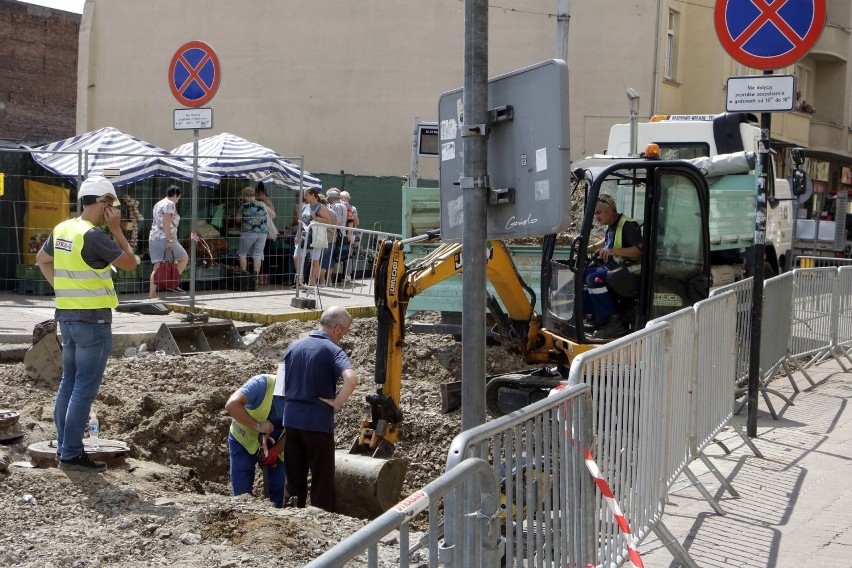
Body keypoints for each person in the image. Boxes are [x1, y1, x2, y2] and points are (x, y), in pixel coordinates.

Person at [35, 176, 138, 472]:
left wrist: (62, 288)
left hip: (66, 317)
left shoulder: (63, 228)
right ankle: (70, 453)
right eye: (111, 205)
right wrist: (117, 230)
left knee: (69, 382)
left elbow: (42, 259)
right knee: (83, 388)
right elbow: (130, 263)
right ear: (105, 204)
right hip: (93, 320)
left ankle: (65, 444)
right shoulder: (94, 235)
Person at [283, 306, 358, 511]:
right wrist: (337, 402)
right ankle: (322, 518)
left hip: (291, 419)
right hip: (317, 422)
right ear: (337, 329)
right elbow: (351, 379)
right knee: (322, 477)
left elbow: (282, 386)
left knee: (293, 476)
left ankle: (290, 512)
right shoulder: (333, 350)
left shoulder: (293, 346)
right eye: (344, 332)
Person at [583, 193, 642, 339]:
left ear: (609, 211)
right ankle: (596, 317)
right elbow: (606, 241)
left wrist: (613, 251)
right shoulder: (612, 225)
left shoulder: (628, 225)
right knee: (582, 274)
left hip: (630, 271)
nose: (596, 217)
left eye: (598, 213)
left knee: (594, 279)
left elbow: (640, 250)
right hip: (615, 268)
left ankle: (613, 322)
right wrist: (589, 248)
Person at [225, 373, 287, 508]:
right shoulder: (261, 384)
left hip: (275, 442)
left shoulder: (302, 396)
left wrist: (275, 451)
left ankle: (276, 522)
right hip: (243, 440)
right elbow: (231, 405)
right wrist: (257, 425)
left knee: (278, 487)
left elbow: (294, 430)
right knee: (242, 494)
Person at [149, 185, 188, 299]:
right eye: (179, 196)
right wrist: (170, 240)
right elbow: (166, 223)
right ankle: (172, 282)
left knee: (157, 266)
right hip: (165, 238)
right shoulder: (170, 204)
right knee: (184, 257)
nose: (179, 199)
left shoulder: (158, 203)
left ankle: (152, 294)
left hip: (153, 237)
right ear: (175, 195)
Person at [293, 187, 333, 288]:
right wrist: (298, 234)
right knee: (296, 257)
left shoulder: (320, 207)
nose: (305, 196)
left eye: (306, 194)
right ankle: (300, 280)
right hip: (303, 237)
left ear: (313, 195)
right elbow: (301, 222)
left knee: (315, 261)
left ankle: (312, 282)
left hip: (315, 237)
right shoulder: (305, 207)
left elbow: (328, 220)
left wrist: (315, 217)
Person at [235, 186, 272, 288]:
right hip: (263, 233)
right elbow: (273, 214)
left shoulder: (244, 206)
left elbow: (237, 219)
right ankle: (255, 279)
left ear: (245, 195)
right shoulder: (262, 204)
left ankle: (244, 277)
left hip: (248, 232)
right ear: (254, 195)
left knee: (243, 253)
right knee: (258, 255)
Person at [320, 188, 349, 285]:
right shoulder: (344, 206)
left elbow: (338, 222)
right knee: (335, 258)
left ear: (332, 198)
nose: (328, 200)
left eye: (329, 198)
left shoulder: (336, 207)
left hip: (335, 234)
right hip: (341, 233)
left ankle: (327, 280)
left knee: (329, 258)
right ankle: (332, 280)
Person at [255, 183, 277, 286]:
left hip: (264, 233)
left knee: (262, 256)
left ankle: (261, 278)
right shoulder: (269, 202)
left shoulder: (265, 203)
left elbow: (272, 217)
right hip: (267, 234)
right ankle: (264, 279)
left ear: (261, 193)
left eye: (257, 194)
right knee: (266, 256)